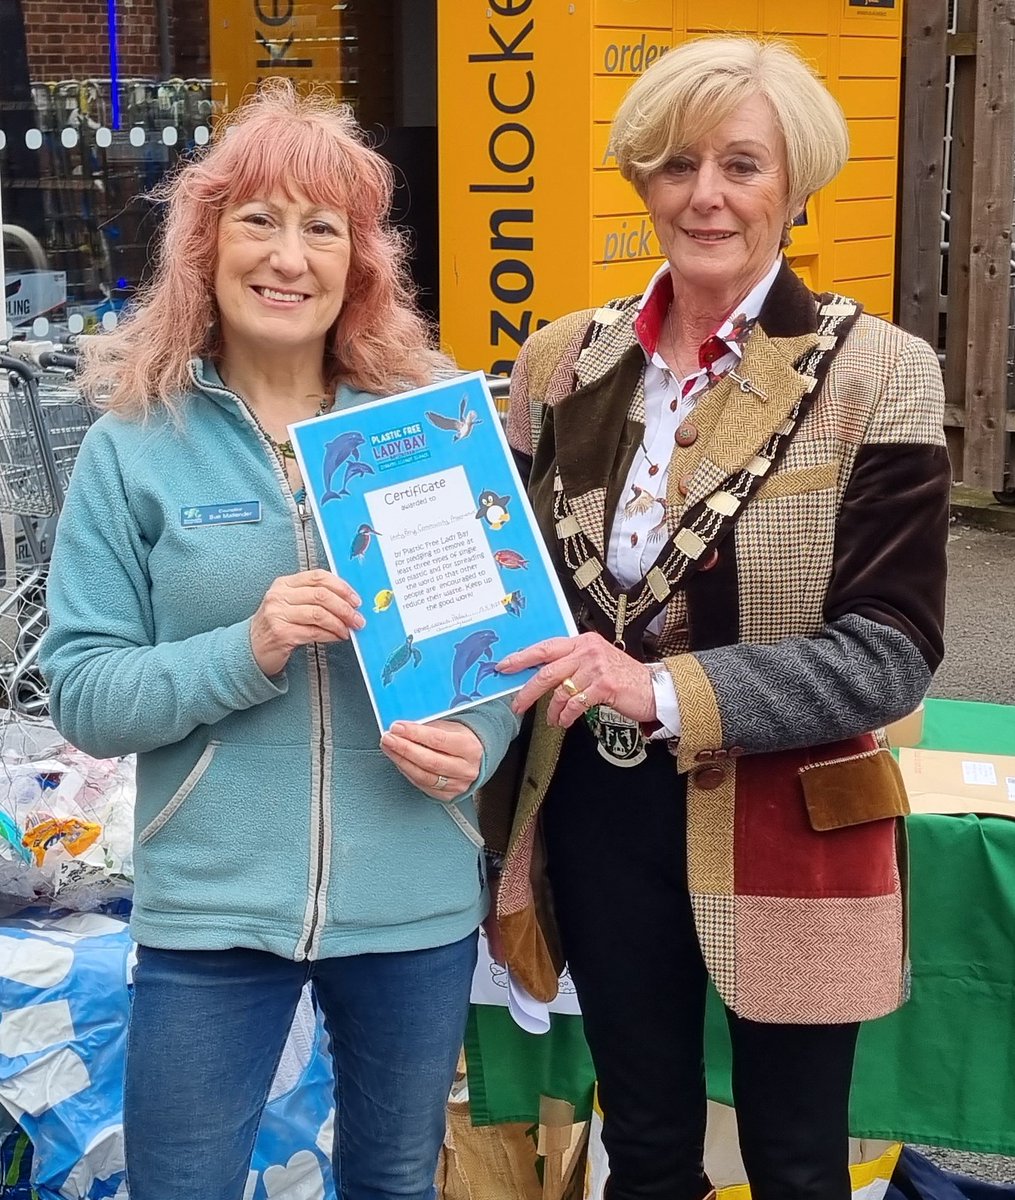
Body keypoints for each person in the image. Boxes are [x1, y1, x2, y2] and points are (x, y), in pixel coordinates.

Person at [482, 36, 950, 1200]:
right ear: (641, 179)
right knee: (642, 1148)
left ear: (794, 186)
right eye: (678, 163)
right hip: (595, 810)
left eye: (742, 165)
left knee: (794, 1164)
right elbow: (504, 583)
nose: (706, 194)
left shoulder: (878, 371)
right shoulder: (559, 363)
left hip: (792, 817)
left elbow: (890, 652)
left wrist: (659, 689)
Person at [40, 82, 517, 1200]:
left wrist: (480, 743)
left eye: (323, 228)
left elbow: (498, 657)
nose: (288, 257)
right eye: (258, 220)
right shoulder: (134, 448)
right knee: (181, 1186)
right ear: (203, 248)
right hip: (212, 908)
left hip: (412, 899)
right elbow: (85, 693)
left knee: (394, 1183)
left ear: (361, 261)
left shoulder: (426, 428)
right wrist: (243, 649)